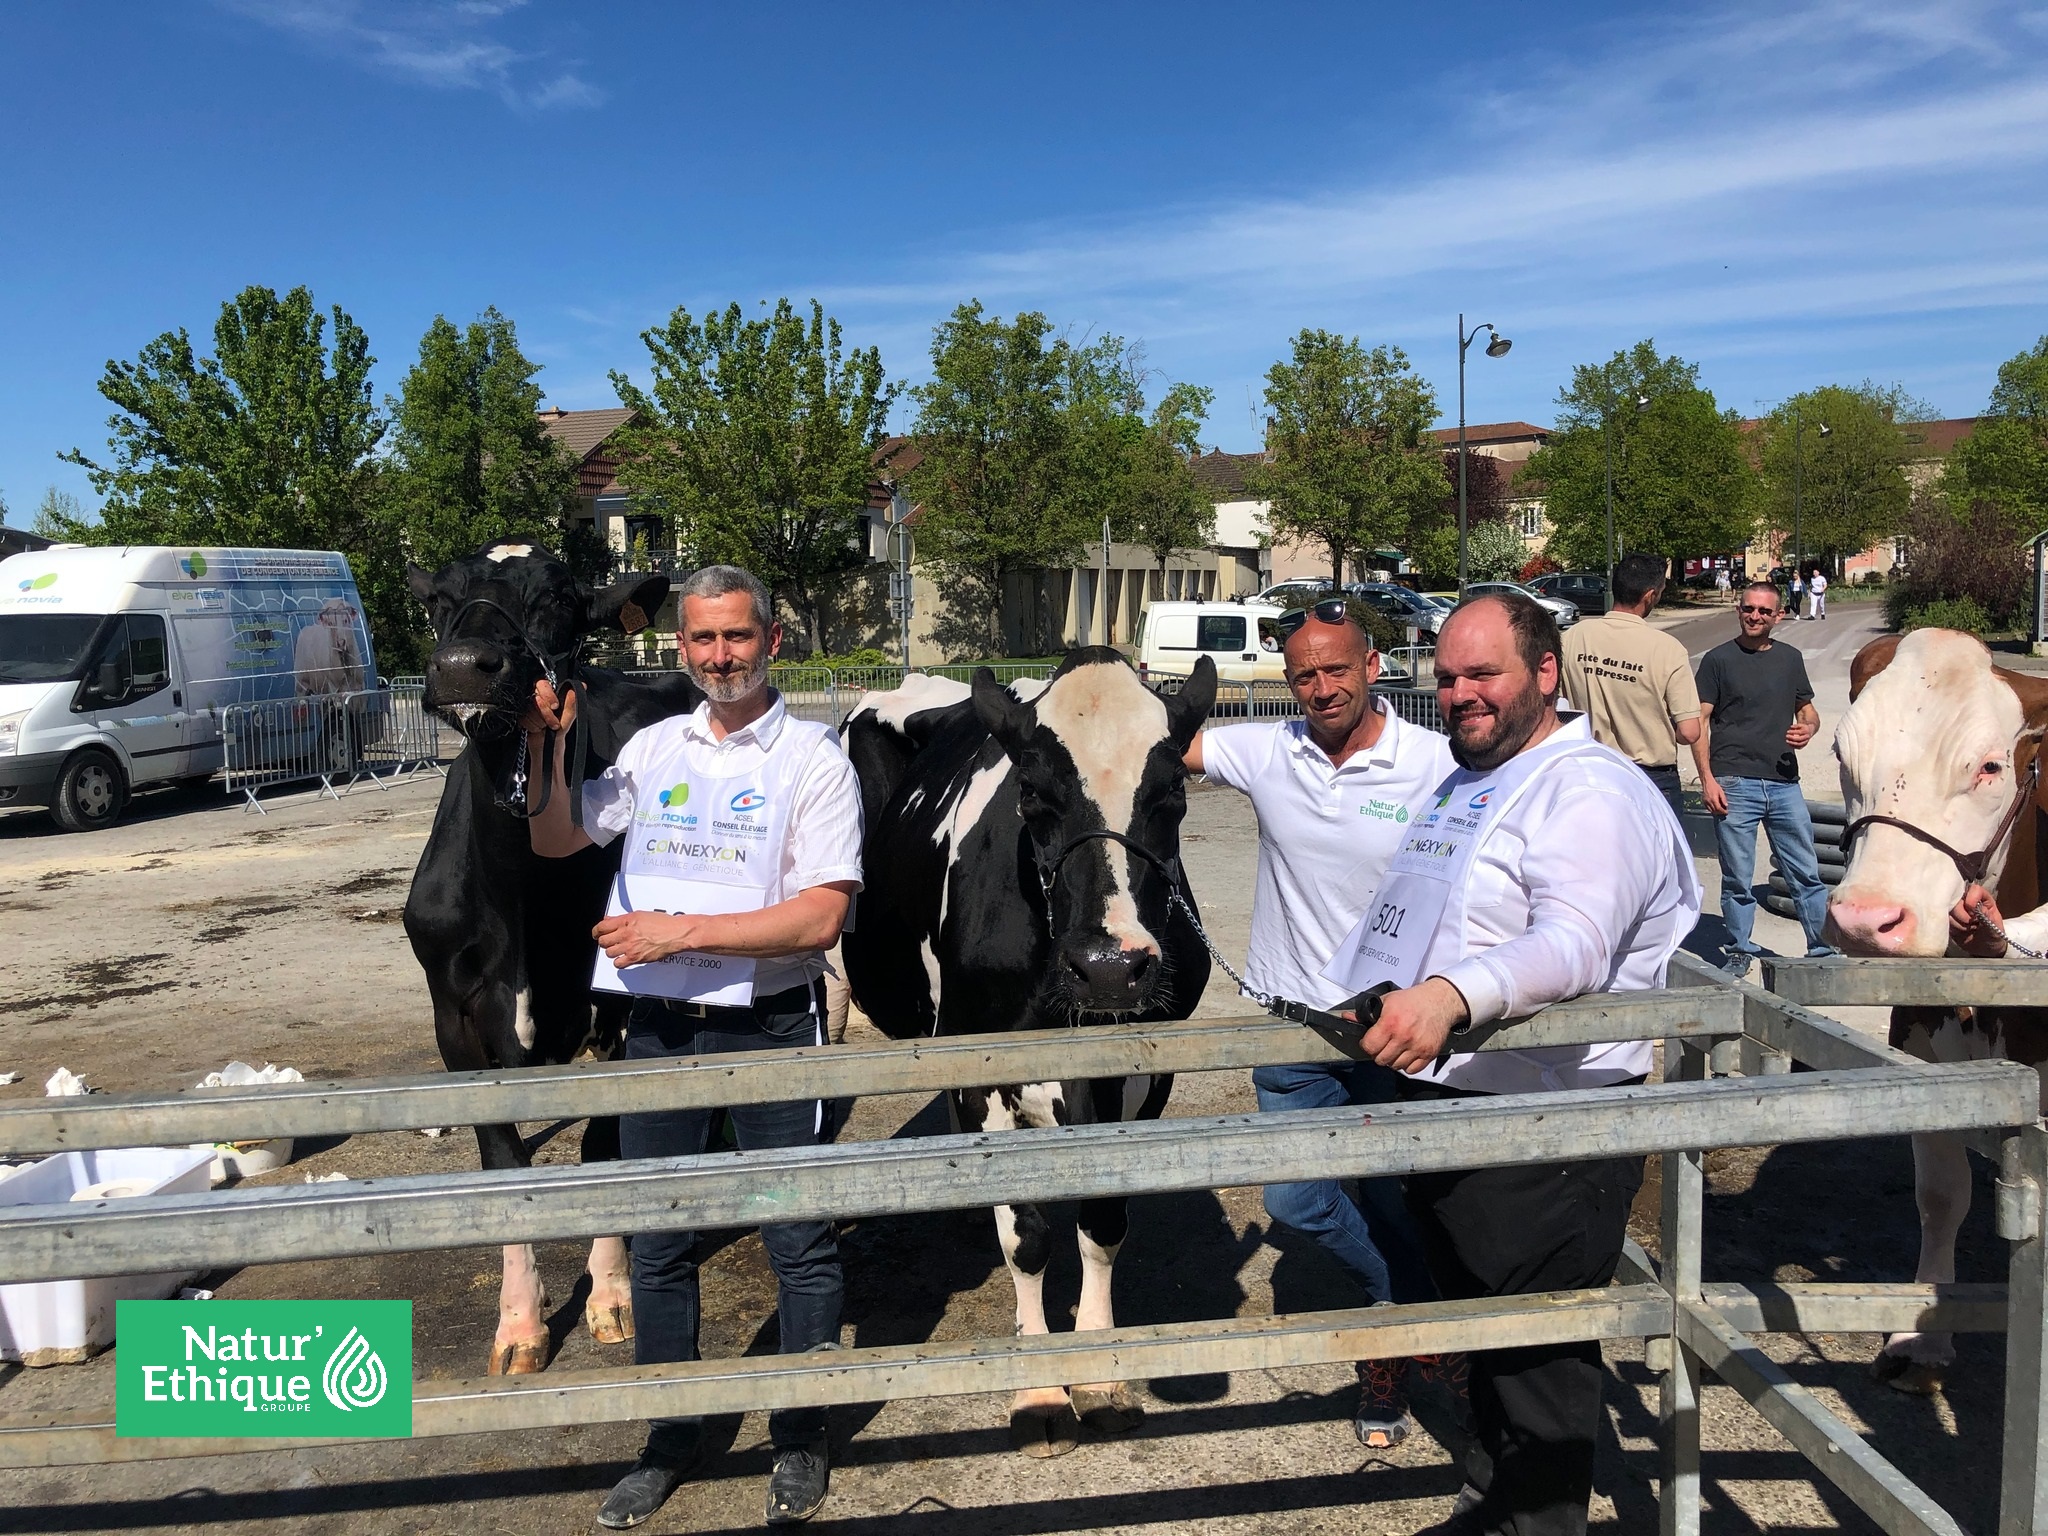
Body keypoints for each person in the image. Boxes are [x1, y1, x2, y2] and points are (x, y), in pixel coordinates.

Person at [1323, 590, 1700, 1536]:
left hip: (1548, 1129)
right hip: (1458, 1106)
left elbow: (1573, 943)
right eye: (1447, 676)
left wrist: (1449, 997)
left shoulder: (1590, 791)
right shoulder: (1481, 775)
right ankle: (1492, 1502)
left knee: (1538, 1364)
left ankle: (1536, 1521)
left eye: (1483, 673)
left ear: (1545, 672)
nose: (1459, 694)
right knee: (1486, 1342)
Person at [525, 565, 861, 1530]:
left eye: (737, 636)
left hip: (772, 1025)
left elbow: (821, 918)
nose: (720, 656)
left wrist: (677, 933)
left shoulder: (813, 759)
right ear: (681, 647)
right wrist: (546, 744)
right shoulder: (654, 746)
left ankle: (800, 1433)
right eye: (703, 639)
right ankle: (670, 1437)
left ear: (773, 640)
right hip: (661, 1028)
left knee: (796, 1239)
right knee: (660, 1241)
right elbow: (556, 839)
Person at [1184, 597, 1457, 1450]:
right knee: (1295, 1200)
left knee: (1396, 1201)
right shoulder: (1268, 749)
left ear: (1373, 666)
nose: (1322, 687)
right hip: (1293, 1030)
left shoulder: (1435, 762)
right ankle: (1408, 1313)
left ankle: (1387, 1364)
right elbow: (1153, 745)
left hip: (1392, 1026)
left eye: (1338, 668)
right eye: (1305, 674)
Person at [1692, 580, 1832, 974]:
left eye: (1764, 611)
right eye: (1748, 609)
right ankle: (1739, 948)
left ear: (1778, 616)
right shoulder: (1718, 660)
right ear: (1738, 610)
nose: (1755, 616)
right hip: (1734, 782)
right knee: (1737, 876)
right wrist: (1707, 779)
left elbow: (1807, 711)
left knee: (1805, 873)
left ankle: (1822, 950)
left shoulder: (1790, 658)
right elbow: (1699, 721)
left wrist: (1809, 728)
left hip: (1784, 783)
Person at [1558, 552, 1700, 822]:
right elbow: (1689, 732)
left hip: (1590, 770)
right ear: (1650, 596)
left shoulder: (1573, 637)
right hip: (1649, 778)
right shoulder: (1668, 650)